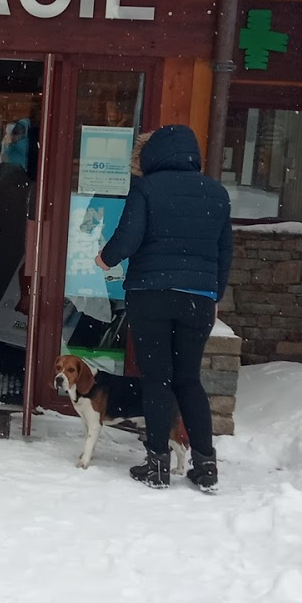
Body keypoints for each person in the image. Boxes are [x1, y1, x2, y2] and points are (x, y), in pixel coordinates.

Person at [95, 124, 232, 492]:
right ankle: (205, 465)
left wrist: (105, 259)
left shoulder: (147, 188)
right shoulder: (217, 193)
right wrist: (212, 293)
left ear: (152, 155)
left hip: (151, 295)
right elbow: (224, 252)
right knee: (188, 379)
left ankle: (157, 464)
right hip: (197, 300)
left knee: (157, 379)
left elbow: (129, 235)